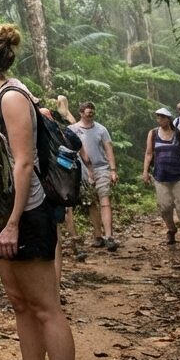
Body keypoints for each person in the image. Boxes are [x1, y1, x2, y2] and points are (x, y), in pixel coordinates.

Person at [0, 24, 75, 360]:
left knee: (46, 308)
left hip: (27, 213)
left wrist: (12, 224)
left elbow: (23, 163)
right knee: (21, 305)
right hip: (1, 215)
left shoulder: (11, 97)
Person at [141, 107, 180, 250]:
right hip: (161, 177)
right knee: (165, 207)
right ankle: (171, 229)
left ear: (168, 119)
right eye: (158, 117)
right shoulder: (153, 133)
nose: (160, 120)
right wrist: (145, 171)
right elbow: (149, 153)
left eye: (163, 117)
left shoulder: (179, 134)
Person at [70, 102, 119, 251]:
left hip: (102, 168)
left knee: (105, 201)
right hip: (83, 171)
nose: (90, 115)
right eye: (88, 113)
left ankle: (109, 236)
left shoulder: (101, 129)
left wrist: (113, 170)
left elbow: (108, 149)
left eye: (92, 113)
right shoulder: (73, 129)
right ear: (81, 113)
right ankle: (98, 235)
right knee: (91, 203)